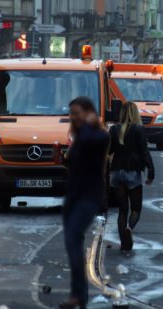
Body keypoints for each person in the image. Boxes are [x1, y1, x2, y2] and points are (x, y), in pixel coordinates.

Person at [60, 97, 110, 309]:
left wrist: (89, 122)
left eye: (78, 112)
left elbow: (93, 143)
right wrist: (62, 157)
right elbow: (74, 163)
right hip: (72, 196)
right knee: (73, 243)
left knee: (73, 239)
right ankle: (79, 295)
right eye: (71, 113)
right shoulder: (81, 135)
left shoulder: (99, 135)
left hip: (89, 197)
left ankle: (79, 295)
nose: (73, 117)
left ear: (89, 113)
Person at [109, 101, 155, 252]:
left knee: (122, 210)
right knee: (136, 209)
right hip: (132, 173)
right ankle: (129, 228)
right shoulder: (139, 129)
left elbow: (109, 153)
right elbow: (144, 151)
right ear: (135, 113)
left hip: (116, 173)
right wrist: (150, 171)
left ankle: (124, 244)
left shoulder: (114, 129)